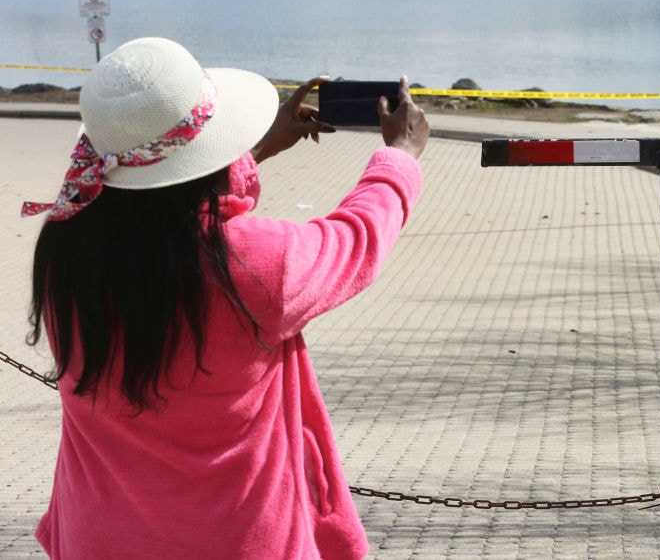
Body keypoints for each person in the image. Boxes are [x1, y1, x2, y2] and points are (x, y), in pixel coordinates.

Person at [22, 37, 429, 559]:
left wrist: (251, 152)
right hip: (239, 542)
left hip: (98, 536)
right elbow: (358, 237)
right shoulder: (256, 263)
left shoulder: (66, 249)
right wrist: (399, 157)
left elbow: (155, 208)